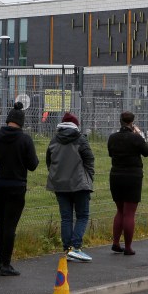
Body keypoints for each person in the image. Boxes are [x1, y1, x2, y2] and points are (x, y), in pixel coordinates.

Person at [0, 102, 39, 276]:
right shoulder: (25, 140)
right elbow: (33, 165)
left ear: (8, 120)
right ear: (21, 122)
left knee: (1, 224)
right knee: (10, 226)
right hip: (16, 187)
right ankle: (6, 264)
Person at [46, 111, 95, 262]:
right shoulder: (80, 139)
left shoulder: (54, 140)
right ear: (76, 125)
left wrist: (56, 174)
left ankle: (67, 249)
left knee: (66, 218)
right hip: (80, 183)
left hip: (60, 184)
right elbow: (89, 159)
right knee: (82, 216)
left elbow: (49, 161)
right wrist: (89, 176)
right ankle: (76, 247)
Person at [107, 111, 148, 256]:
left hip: (116, 175)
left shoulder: (112, 138)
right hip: (132, 176)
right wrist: (139, 135)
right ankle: (128, 246)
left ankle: (115, 243)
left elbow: (110, 153)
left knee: (120, 210)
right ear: (132, 123)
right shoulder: (136, 138)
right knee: (129, 213)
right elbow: (147, 152)